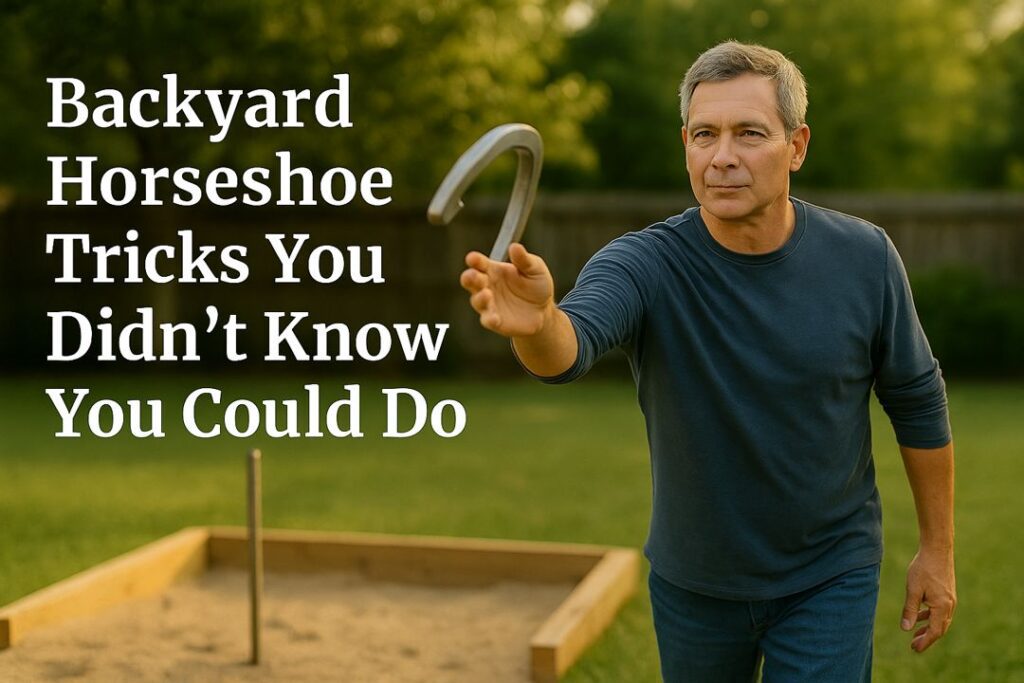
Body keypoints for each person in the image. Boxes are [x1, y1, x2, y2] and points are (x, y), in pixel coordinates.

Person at [459, 41, 955, 682]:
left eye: (749, 133)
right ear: (685, 146)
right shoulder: (644, 262)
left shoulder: (865, 258)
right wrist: (538, 324)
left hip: (830, 571)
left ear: (797, 146)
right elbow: (569, 348)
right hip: (694, 580)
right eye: (705, 135)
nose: (723, 157)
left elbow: (917, 399)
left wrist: (937, 552)